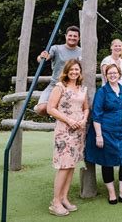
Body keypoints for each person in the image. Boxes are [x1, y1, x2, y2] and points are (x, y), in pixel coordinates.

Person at [85, 64, 122, 205]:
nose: (112, 75)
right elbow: (97, 114)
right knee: (107, 162)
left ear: (119, 74)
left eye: (115, 73)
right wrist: (99, 135)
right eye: (109, 73)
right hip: (106, 131)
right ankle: (112, 193)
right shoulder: (102, 91)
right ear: (106, 76)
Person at [47, 59, 88, 216]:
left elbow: (86, 108)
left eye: (77, 70)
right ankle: (55, 202)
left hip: (78, 131)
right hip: (64, 131)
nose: (74, 72)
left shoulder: (81, 88)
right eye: (71, 70)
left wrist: (83, 119)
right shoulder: (60, 87)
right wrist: (69, 120)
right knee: (64, 166)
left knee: (71, 166)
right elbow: (51, 108)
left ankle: (64, 198)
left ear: (80, 72)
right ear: (67, 71)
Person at [35, 26, 82, 115]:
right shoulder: (56, 48)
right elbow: (42, 58)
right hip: (55, 84)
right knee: (41, 108)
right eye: (70, 35)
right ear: (65, 36)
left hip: (73, 87)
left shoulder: (83, 51)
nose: (72, 38)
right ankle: (54, 110)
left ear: (79, 38)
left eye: (75, 36)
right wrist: (42, 57)